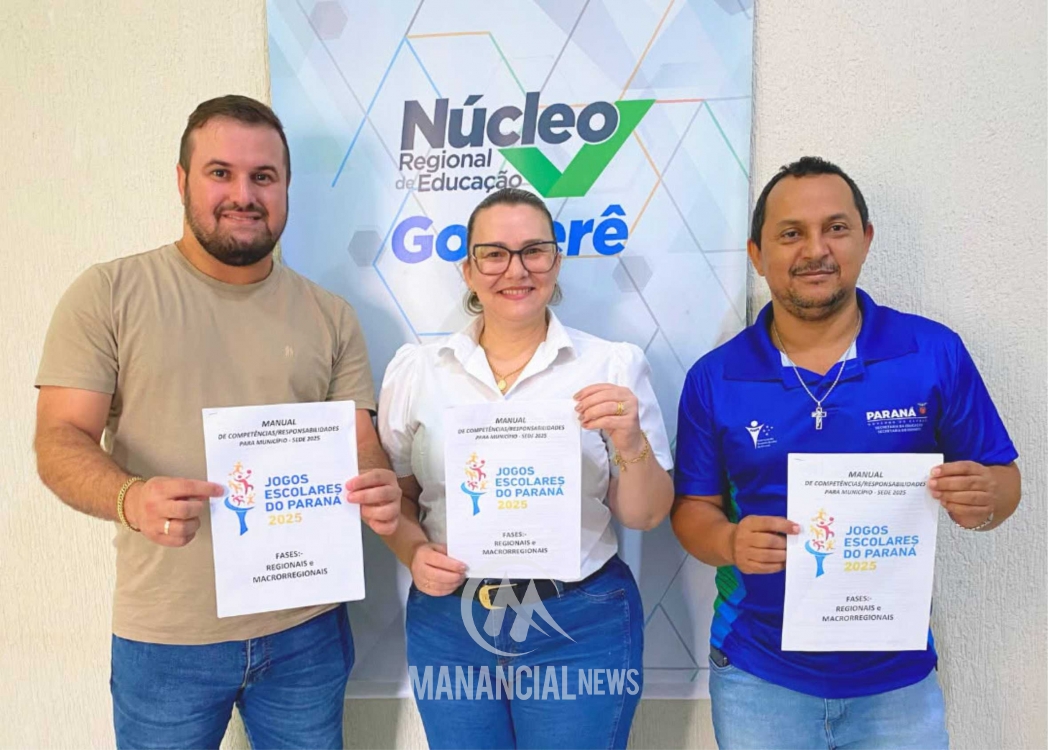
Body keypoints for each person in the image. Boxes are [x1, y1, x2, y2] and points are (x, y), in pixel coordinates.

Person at [33, 95, 402, 750]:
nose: (244, 194)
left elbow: (359, 441)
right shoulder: (110, 293)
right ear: (182, 180)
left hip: (306, 629)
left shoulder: (331, 315)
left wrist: (376, 481)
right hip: (168, 639)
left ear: (285, 188)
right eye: (220, 173)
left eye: (264, 176)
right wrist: (130, 498)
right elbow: (59, 439)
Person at [671, 156, 1021, 749]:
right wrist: (729, 542)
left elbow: (1003, 482)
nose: (816, 250)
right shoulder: (716, 376)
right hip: (760, 673)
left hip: (897, 678)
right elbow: (692, 509)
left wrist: (985, 500)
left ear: (866, 238)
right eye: (791, 233)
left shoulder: (932, 353)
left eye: (835, 228)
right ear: (757, 254)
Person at [377, 188, 675, 749]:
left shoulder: (611, 364)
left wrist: (629, 439)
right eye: (494, 254)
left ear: (556, 262)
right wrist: (412, 551)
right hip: (451, 622)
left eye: (533, 251)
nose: (515, 270)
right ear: (467, 270)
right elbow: (397, 494)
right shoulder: (418, 371)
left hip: (579, 619)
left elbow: (647, 514)